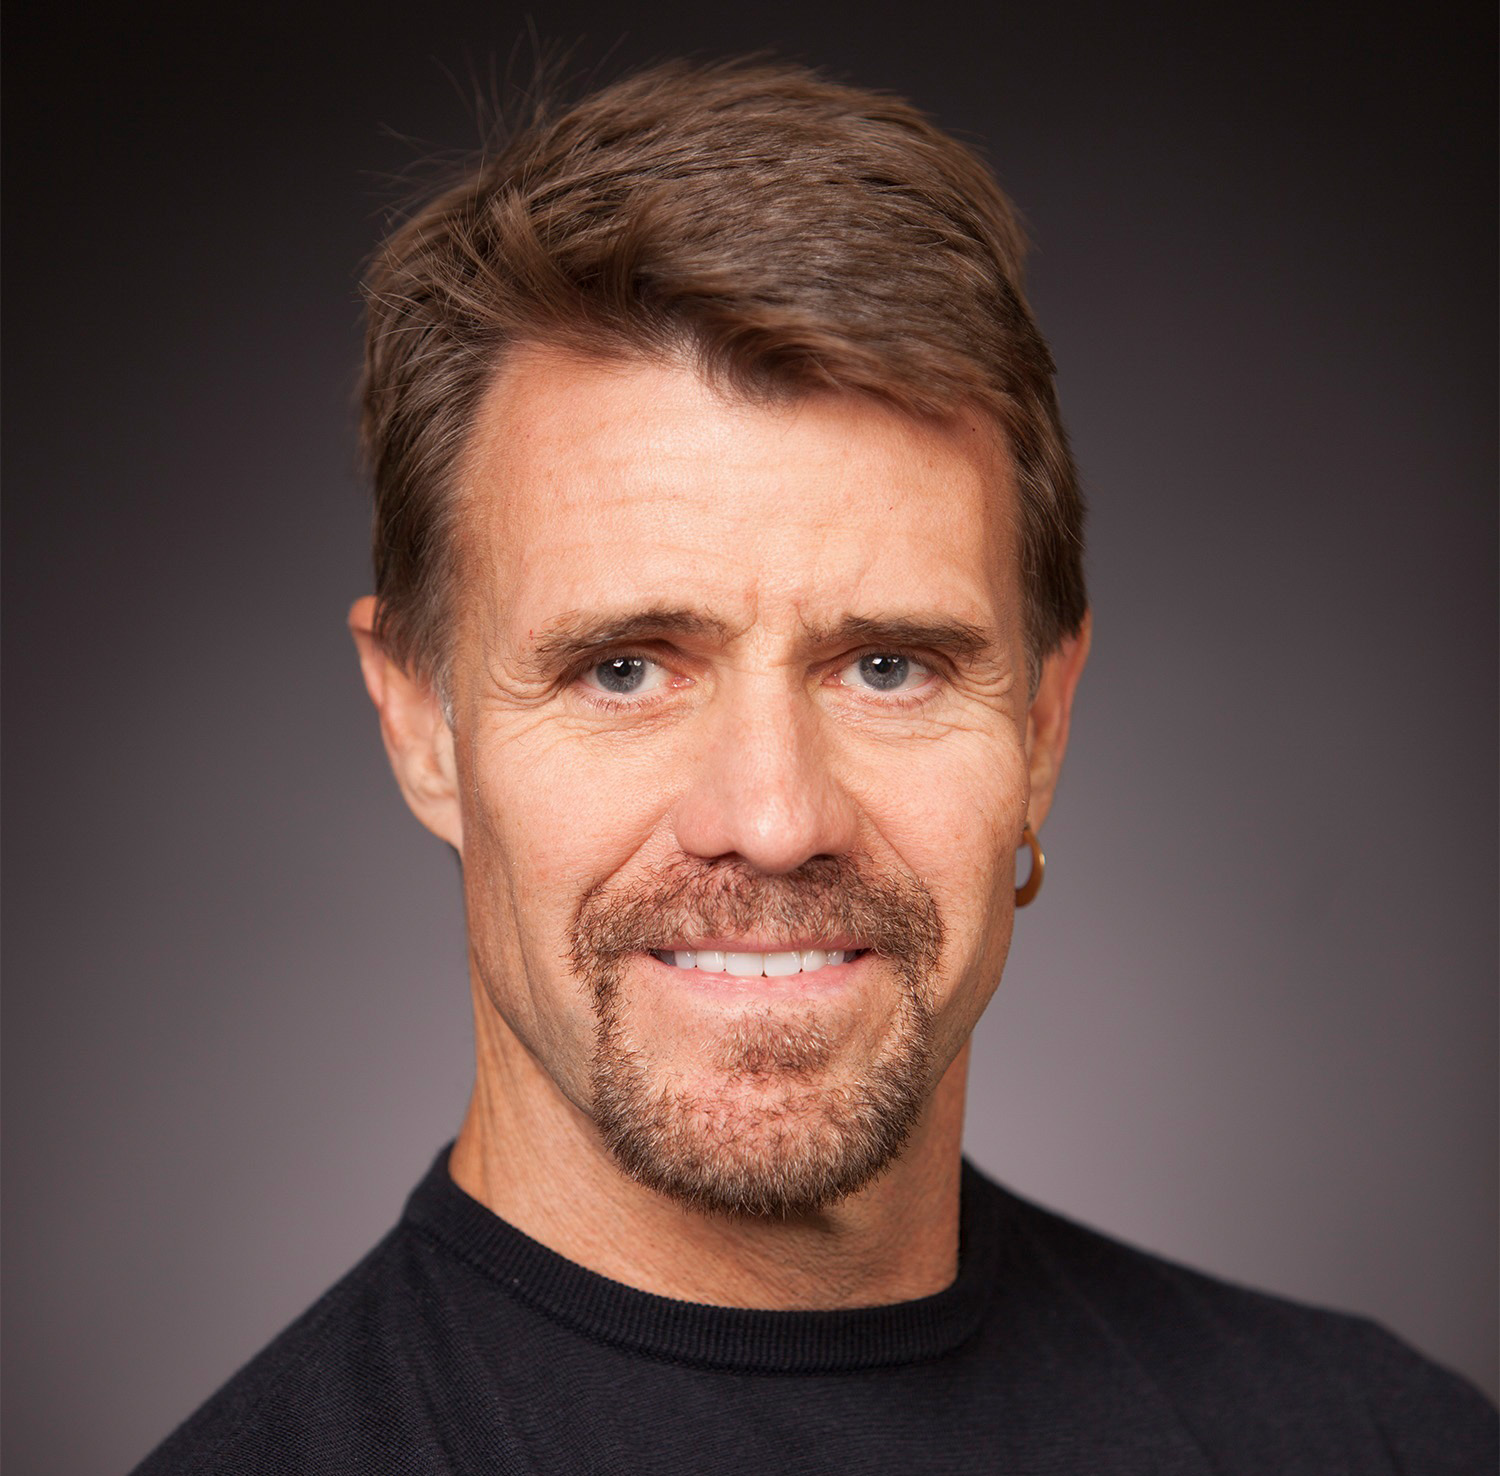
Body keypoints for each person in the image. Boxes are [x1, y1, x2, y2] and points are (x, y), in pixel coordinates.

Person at [132, 57, 1496, 1475]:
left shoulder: (1378, 1444)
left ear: (1042, 726)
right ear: (423, 724)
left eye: (888, 666)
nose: (776, 819)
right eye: (625, 668)